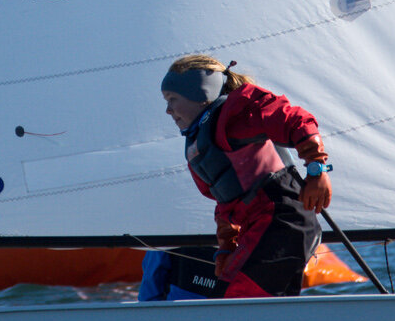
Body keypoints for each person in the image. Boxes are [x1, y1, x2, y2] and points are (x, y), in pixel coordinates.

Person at [139, 54, 332, 301]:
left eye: (172, 99)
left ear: (199, 94)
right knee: (228, 299)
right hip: (260, 227)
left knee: (236, 301)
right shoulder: (200, 143)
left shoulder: (235, 114)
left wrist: (316, 170)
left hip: (284, 221)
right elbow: (226, 203)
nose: (167, 110)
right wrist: (227, 247)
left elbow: (296, 119)